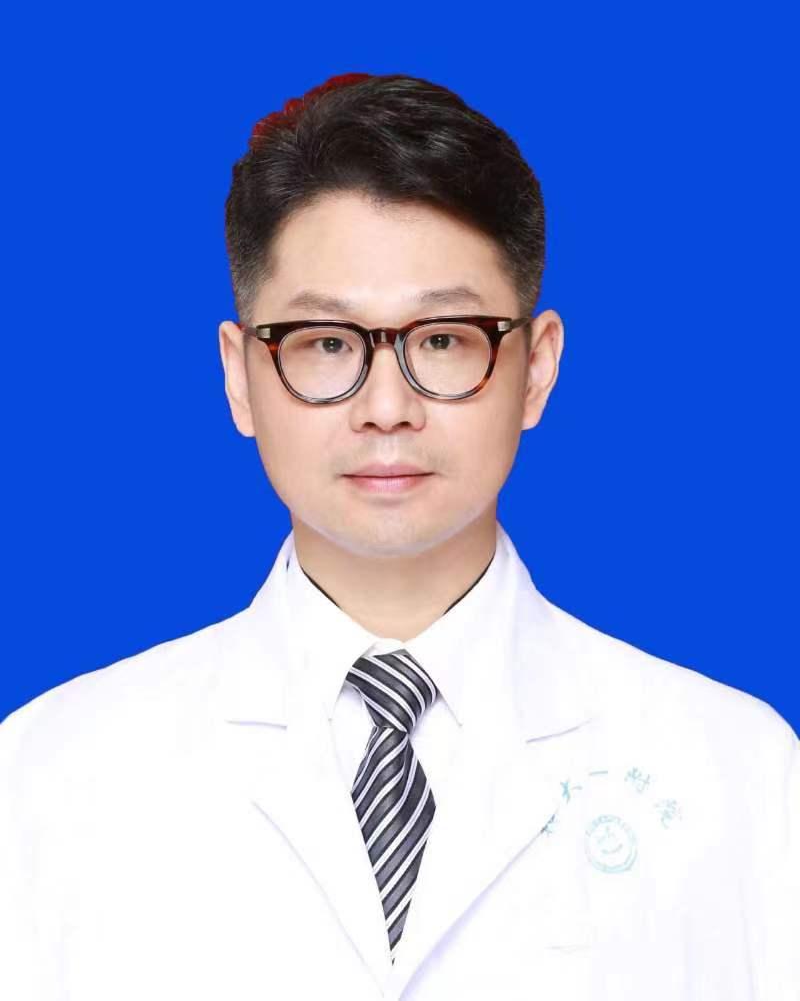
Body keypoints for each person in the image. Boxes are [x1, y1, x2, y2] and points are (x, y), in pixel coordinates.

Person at [1, 72, 797, 1001]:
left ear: (537, 368)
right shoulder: (49, 775)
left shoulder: (739, 774)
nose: (386, 407)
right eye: (326, 342)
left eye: (445, 340)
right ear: (239, 375)